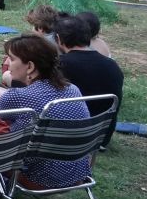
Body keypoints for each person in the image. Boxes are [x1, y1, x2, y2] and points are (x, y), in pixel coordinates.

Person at [0, 35, 91, 189]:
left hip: (37, 178)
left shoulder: (22, 96)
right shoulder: (72, 89)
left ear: (30, 67)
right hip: (76, 175)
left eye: (12, 58)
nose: (7, 63)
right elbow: (9, 98)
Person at [51, 16, 123, 146]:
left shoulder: (60, 65)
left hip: (70, 138)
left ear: (58, 38)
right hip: (101, 137)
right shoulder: (112, 65)